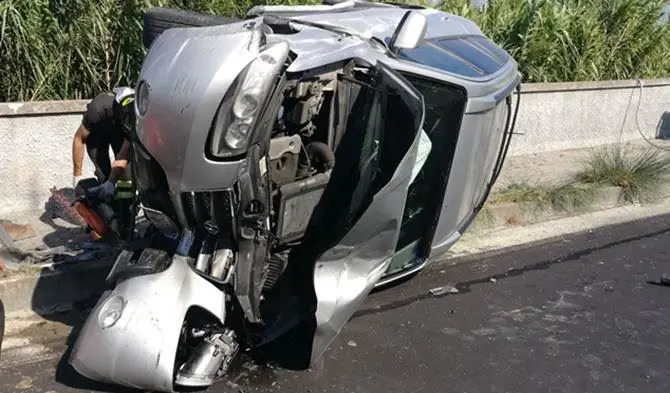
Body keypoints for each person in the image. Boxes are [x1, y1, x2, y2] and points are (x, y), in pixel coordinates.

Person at [71, 87, 136, 199]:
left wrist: (111, 182)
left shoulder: (135, 116)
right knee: (103, 174)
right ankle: (105, 207)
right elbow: (79, 139)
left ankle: (125, 210)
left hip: (119, 132)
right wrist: (77, 176)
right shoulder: (98, 108)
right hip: (96, 134)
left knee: (126, 177)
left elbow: (124, 154)